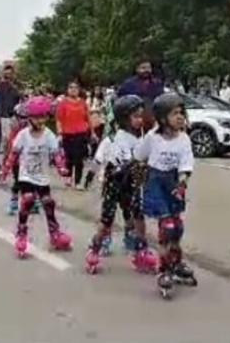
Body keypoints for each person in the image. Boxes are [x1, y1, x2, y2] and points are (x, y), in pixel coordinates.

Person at [84, 95, 158, 274]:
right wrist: (90, 176)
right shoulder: (116, 139)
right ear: (124, 118)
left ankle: (141, 250)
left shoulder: (140, 138)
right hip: (115, 185)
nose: (140, 120)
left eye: (141, 116)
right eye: (136, 116)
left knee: (137, 218)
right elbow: (109, 163)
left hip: (132, 184)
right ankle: (94, 250)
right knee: (106, 221)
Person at [135, 93, 196, 299]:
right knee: (167, 228)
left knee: (177, 228)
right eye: (175, 114)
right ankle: (164, 270)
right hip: (155, 184)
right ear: (162, 118)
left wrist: (182, 181)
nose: (180, 117)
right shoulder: (153, 137)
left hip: (174, 184)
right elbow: (139, 155)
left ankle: (176, 262)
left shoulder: (184, 139)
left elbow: (186, 165)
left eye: (181, 113)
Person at [1, 96, 72, 258]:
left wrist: (62, 169)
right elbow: (13, 154)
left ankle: (55, 234)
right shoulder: (23, 135)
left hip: (43, 177)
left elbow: (56, 154)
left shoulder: (49, 135)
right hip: (26, 176)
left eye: (43, 117)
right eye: (36, 117)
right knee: (28, 200)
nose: (40, 121)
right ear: (30, 118)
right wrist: (5, 170)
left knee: (48, 203)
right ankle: (21, 233)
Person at [56, 81, 92, 190]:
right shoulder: (63, 103)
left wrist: (92, 133)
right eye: (71, 87)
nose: (73, 90)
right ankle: (68, 177)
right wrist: (59, 133)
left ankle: (78, 181)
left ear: (79, 90)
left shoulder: (83, 103)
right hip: (67, 133)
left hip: (81, 133)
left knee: (79, 158)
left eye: (75, 88)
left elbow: (88, 118)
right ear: (67, 90)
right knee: (69, 157)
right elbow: (59, 119)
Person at [117, 58, 165, 131]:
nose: (146, 70)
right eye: (143, 68)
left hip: (153, 120)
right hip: (134, 123)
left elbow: (162, 101)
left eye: (148, 68)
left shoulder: (157, 83)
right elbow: (121, 103)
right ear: (137, 69)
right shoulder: (128, 84)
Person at [0, 65, 22, 159]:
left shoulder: (18, 85)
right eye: (6, 74)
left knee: (16, 138)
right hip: (4, 116)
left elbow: (21, 97)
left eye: (10, 73)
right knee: (6, 139)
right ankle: (6, 159)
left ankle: (15, 159)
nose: (8, 75)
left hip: (15, 116)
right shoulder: (1, 85)